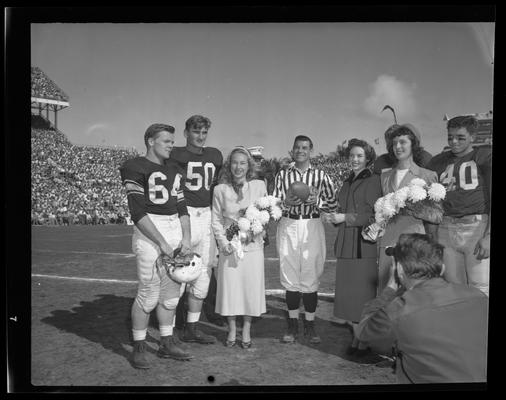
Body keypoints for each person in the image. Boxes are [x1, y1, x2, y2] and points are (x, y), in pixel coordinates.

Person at [354, 233, 488, 383]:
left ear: (399, 269)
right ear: (442, 268)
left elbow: (363, 331)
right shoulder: (478, 296)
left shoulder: (399, 310)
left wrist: (390, 290)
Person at [119, 123, 193, 369]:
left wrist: (186, 238)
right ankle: (139, 346)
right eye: (167, 141)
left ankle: (166, 342)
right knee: (148, 294)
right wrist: (161, 242)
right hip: (149, 229)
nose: (172, 145)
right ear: (150, 141)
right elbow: (137, 211)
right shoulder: (134, 166)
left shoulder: (174, 168)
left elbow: (182, 207)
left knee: (172, 295)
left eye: (172, 141)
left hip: (174, 228)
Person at [273, 135, 339, 344]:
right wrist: (286, 202)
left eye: (305, 148)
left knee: (310, 275)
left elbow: (333, 203)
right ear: (292, 150)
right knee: (290, 273)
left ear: (311, 150)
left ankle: (310, 325)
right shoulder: (283, 175)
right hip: (289, 224)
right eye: (297, 147)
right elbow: (273, 204)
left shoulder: (321, 175)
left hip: (312, 224)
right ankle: (292, 325)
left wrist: (316, 200)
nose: (300, 151)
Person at [321, 139, 382, 355]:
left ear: (368, 158)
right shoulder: (346, 182)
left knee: (362, 297)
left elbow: (375, 215)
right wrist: (334, 218)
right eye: (352, 156)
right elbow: (343, 210)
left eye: (359, 156)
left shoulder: (374, 180)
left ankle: (363, 342)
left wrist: (344, 217)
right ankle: (358, 339)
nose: (354, 159)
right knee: (350, 297)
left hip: (363, 245)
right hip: (346, 243)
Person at [169, 115, 224, 343]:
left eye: (204, 133)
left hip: (208, 214)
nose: (200, 137)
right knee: (179, 270)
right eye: (196, 132)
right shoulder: (175, 154)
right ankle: (169, 329)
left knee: (205, 272)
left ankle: (191, 327)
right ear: (186, 133)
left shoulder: (215, 154)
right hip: (185, 214)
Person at [427, 115, 491, 296]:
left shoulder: (484, 155)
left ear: (473, 137)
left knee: (480, 286)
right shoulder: (438, 161)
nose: (454, 142)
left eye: (460, 137)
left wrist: (489, 236)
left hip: (476, 226)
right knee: (454, 289)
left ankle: (479, 325)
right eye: (450, 137)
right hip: (446, 227)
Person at [211, 147, 267, 348]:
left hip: (253, 248)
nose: (238, 167)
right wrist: (223, 243)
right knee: (231, 290)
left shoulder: (259, 186)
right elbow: (216, 219)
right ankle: (232, 329)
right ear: (229, 165)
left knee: (250, 289)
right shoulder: (220, 190)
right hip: (230, 249)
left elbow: (264, 214)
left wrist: (255, 230)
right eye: (235, 162)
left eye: (243, 163)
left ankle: (247, 331)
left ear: (249, 166)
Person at [377, 124, 438, 294]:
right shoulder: (384, 175)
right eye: (394, 143)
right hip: (388, 241)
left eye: (403, 142)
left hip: (414, 241)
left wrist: (413, 207)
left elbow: (436, 216)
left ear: (413, 144)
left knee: (413, 293)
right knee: (386, 292)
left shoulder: (427, 175)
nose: (397, 147)